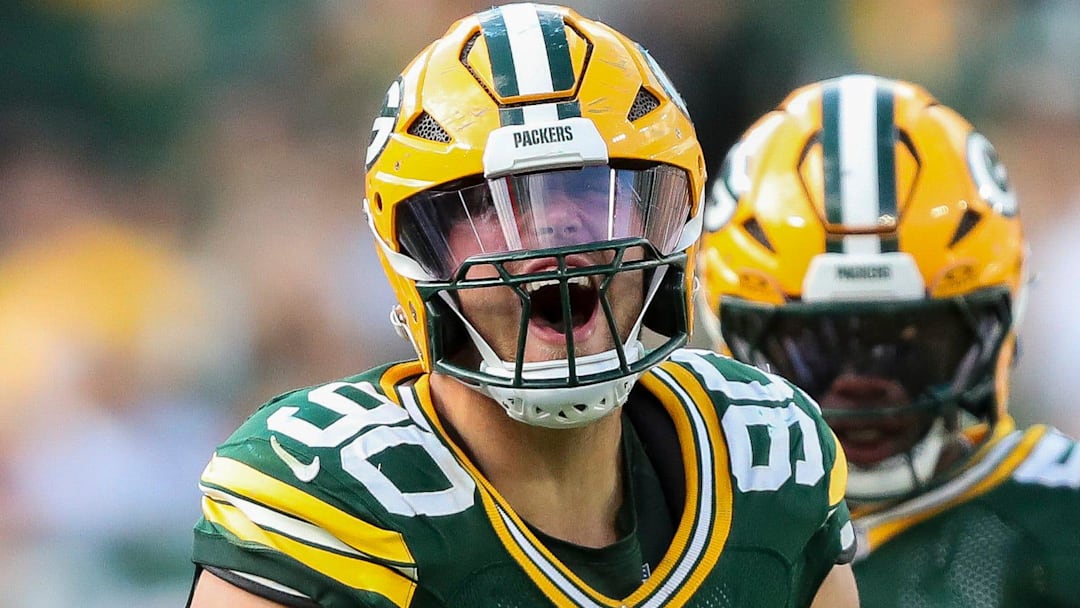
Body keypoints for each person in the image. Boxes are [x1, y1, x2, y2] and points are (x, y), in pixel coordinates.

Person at [186, 4, 859, 606]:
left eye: (596, 194)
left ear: (669, 218)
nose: (553, 235)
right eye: (486, 208)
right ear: (414, 251)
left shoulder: (763, 459)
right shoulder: (331, 498)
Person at [697, 74, 1080, 606]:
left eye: (909, 343)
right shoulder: (690, 528)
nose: (863, 385)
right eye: (818, 346)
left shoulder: (1062, 527)